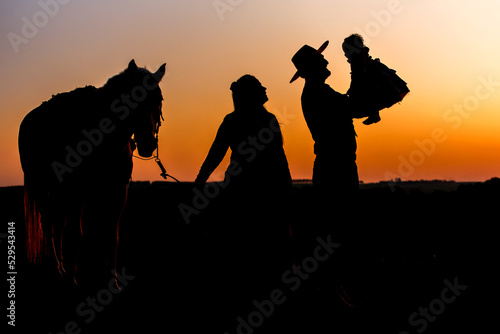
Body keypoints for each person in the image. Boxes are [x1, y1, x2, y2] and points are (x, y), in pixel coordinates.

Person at [290, 41, 371, 202]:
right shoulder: (317, 93)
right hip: (335, 169)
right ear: (312, 67)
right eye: (321, 60)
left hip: (335, 165)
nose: (326, 62)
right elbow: (354, 107)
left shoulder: (319, 91)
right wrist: (357, 68)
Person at [342, 34, 410, 125]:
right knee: (365, 93)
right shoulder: (360, 57)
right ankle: (373, 112)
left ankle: (373, 112)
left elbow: (360, 78)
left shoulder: (359, 60)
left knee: (365, 92)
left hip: (370, 80)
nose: (345, 54)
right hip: (370, 79)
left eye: (346, 51)